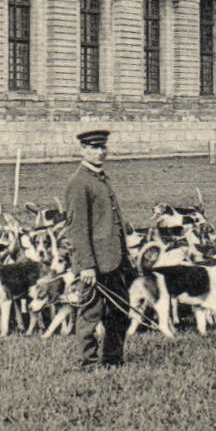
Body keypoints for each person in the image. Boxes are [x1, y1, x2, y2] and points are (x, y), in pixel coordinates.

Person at [64, 128, 132, 370]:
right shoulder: (79, 182)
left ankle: (113, 359)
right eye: (93, 147)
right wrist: (87, 266)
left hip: (113, 260)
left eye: (102, 147)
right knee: (90, 316)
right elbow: (77, 229)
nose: (100, 152)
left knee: (119, 311)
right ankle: (88, 363)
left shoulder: (100, 178)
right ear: (82, 150)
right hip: (94, 264)